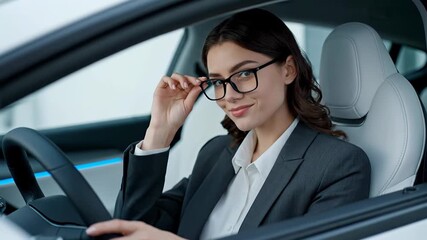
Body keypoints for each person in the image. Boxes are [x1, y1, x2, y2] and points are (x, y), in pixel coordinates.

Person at [86, 8, 371, 240]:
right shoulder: (215, 153)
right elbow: (131, 225)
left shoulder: (338, 166)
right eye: (218, 81)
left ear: (288, 69)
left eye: (244, 74)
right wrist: (159, 132)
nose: (229, 95)